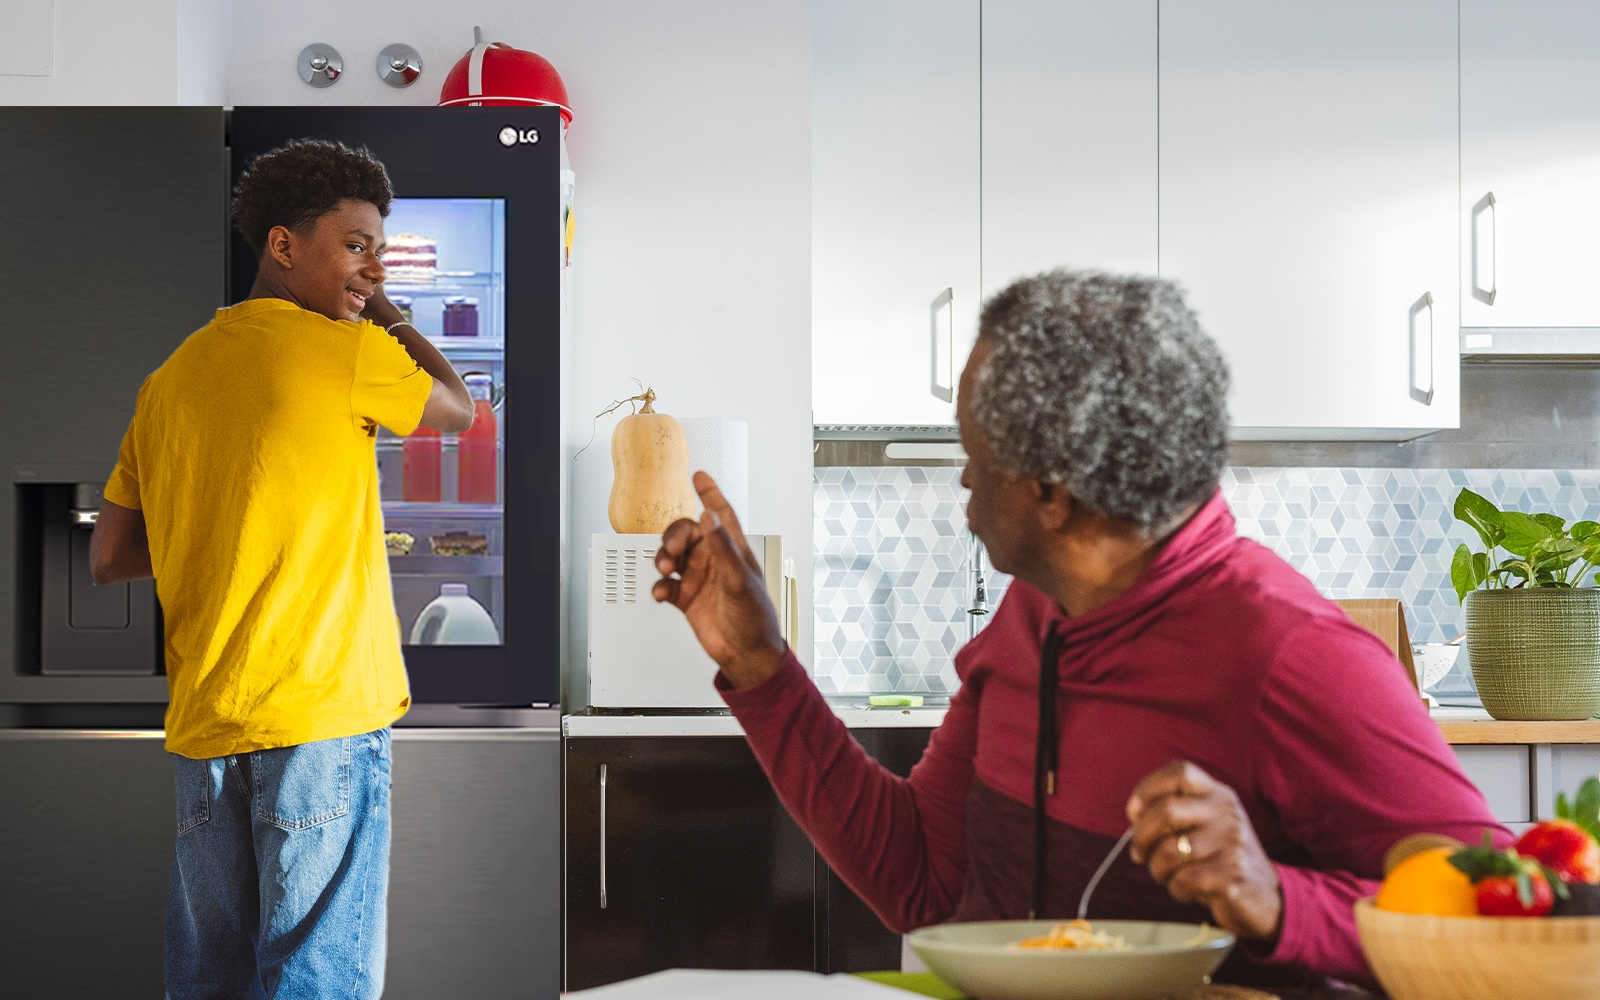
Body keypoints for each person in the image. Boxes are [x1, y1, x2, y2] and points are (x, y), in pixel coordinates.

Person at [652, 269, 1502, 991]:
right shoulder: (1036, 610)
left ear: (1052, 493)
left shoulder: (1296, 657)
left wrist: (1281, 901)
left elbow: (1499, 929)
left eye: (971, 458)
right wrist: (761, 667)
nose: (962, 485)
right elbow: (928, 883)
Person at [89, 139, 473, 999]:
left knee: (210, 981)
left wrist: (217, 525)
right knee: (314, 981)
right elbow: (459, 408)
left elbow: (109, 556)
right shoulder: (347, 351)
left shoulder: (168, 381)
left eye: (378, 247)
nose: (371, 266)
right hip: (319, 719)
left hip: (205, 732)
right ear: (282, 244)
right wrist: (391, 318)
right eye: (355, 243)